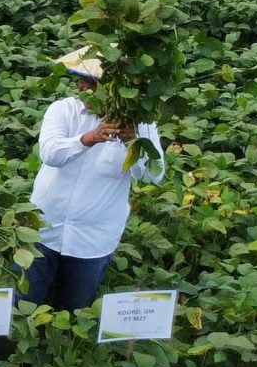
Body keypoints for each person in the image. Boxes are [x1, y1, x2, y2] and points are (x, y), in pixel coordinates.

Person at [27, 48, 167, 312]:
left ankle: (63, 349)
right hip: (42, 230)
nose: (83, 88)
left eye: (93, 83)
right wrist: (87, 139)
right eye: (81, 80)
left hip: (92, 240)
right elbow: (50, 154)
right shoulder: (63, 110)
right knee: (23, 304)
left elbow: (155, 174)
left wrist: (136, 142)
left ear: (116, 89)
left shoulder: (142, 125)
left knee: (76, 310)